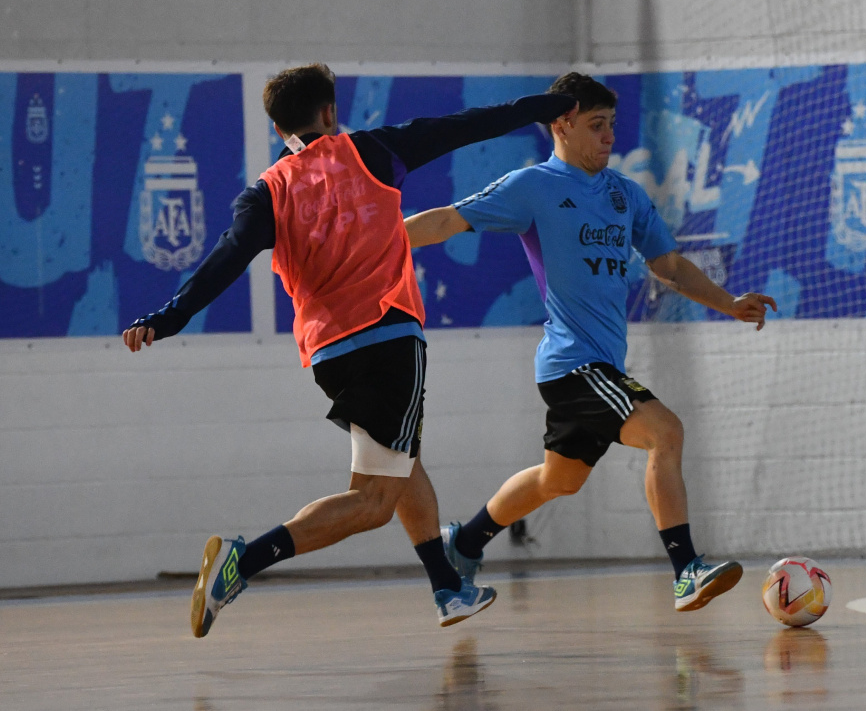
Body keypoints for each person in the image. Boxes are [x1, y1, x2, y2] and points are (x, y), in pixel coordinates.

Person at [122, 63, 576, 637]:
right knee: (373, 501)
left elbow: (223, 262)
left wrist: (167, 318)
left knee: (401, 461)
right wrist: (548, 106)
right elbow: (469, 125)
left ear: (278, 126)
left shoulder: (266, 192)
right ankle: (242, 563)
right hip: (388, 338)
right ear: (330, 112)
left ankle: (447, 588)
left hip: (330, 355)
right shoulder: (374, 152)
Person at [405, 72, 777, 612]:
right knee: (665, 432)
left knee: (559, 480)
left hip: (598, 365)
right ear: (562, 125)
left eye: (612, 125)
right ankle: (686, 571)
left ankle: (463, 544)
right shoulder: (533, 187)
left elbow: (669, 266)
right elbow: (445, 222)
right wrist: (372, 241)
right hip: (573, 364)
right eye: (597, 126)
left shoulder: (624, 194)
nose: (610, 137)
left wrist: (728, 302)